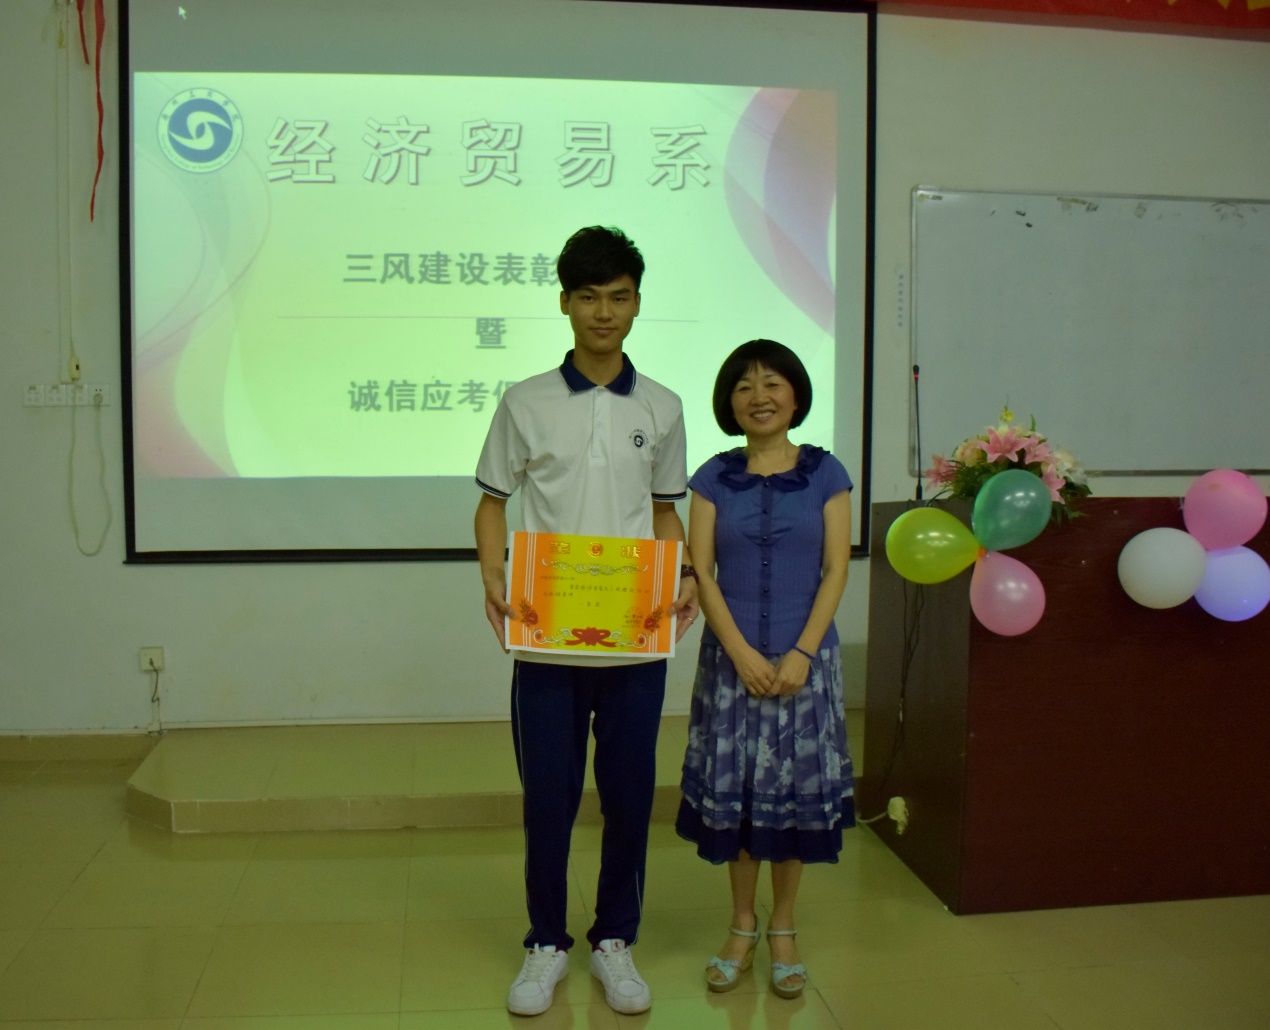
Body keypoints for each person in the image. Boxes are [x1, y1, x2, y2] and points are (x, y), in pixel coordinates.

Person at [474, 226, 699, 1017]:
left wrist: (685, 574)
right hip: (546, 640)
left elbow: (665, 512)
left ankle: (614, 940)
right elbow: (492, 503)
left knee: (630, 799)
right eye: (590, 297)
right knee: (549, 800)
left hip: (635, 643)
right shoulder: (525, 401)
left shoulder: (662, 406)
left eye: (619, 296)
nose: (605, 312)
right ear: (565, 303)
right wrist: (493, 574)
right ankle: (545, 941)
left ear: (637, 304)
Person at [676, 339, 854, 999]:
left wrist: (802, 653)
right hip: (734, 664)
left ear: (796, 395)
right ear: (729, 402)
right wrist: (743, 654)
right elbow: (702, 572)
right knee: (744, 802)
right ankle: (741, 925)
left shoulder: (827, 474)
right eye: (744, 386)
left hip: (808, 664)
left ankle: (783, 928)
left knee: (794, 802)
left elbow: (836, 568)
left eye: (772, 383)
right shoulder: (711, 478)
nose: (759, 396)